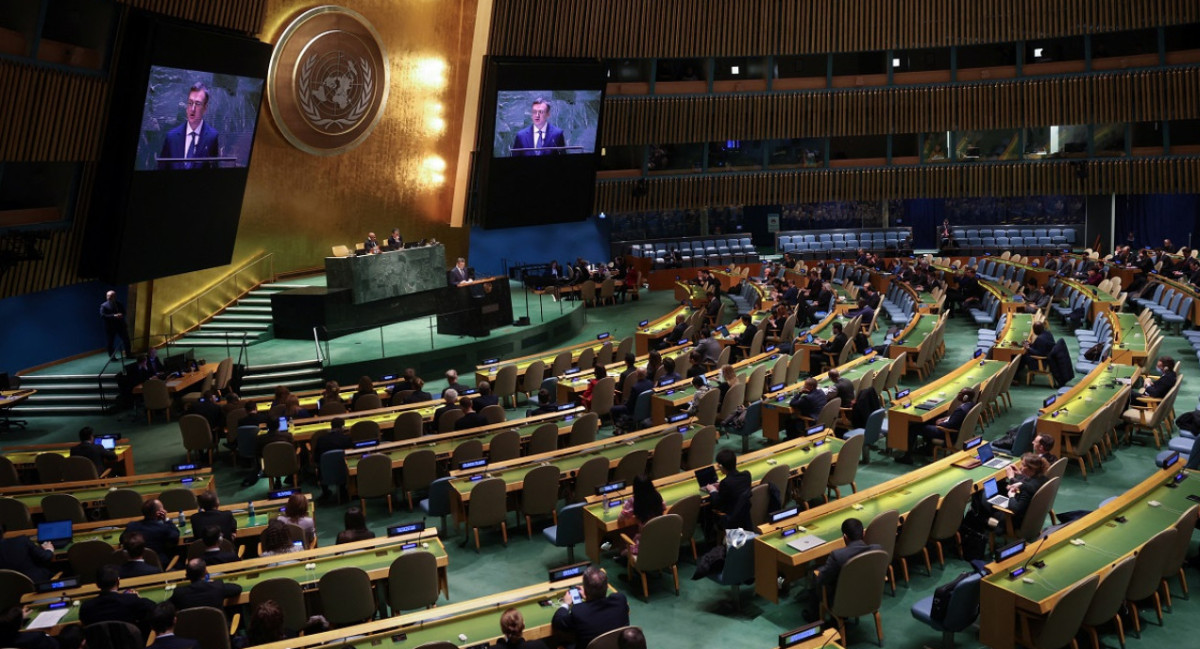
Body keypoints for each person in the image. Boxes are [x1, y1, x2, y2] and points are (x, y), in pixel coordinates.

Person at [550, 566, 629, 649]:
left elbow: (558, 622)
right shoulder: (620, 600)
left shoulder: (579, 612)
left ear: (585, 590)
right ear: (607, 587)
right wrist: (588, 597)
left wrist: (566, 604)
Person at [899, 387, 977, 464]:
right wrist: (945, 418)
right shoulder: (970, 405)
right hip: (954, 429)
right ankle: (927, 449)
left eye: (960, 393)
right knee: (929, 421)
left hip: (947, 433)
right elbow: (955, 418)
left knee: (913, 428)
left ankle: (907, 457)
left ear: (965, 397)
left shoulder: (961, 410)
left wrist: (940, 423)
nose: (958, 394)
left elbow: (950, 425)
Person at [813, 518, 881, 604]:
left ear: (845, 537)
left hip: (843, 602)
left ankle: (814, 614)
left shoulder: (837, 556)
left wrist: (818, 573)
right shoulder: (877, 549)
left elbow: (824, 578)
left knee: (816, 575)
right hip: (869, 596)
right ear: (863, 533)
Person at [158, 82, 220, 170]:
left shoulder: (212, 136)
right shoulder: (172, 137)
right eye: (190, 103)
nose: (192, 109)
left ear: (205, 108)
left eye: (197, 104)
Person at [79, 565, 156, 631]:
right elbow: (154, 607)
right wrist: (139, 599)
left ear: (97, 584)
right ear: (118, 581)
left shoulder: (86, 607)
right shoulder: (131, 600)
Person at [168, 558, 243, 613]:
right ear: (206, 572)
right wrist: (211, 582)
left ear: (187, 576)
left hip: (190, 633)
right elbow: (237, 588)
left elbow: (166, 607)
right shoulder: (217, 586)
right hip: (217, 632)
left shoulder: (179, 593)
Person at [615, 474, 664, 557]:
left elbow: (620, 519)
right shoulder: (657, 496)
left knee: (623, 548)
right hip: (660, 538)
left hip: (644, 544)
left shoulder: (634, 501)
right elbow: (663, 507)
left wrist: (626, 506)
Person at [705, 449, 752, 530]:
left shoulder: (726, 483)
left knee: (706, 509)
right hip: (745, 516)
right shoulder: (746, 475)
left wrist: (712, 490)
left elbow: (717, 503)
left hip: (731, 518)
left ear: (721, 466)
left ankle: (710, 539)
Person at [125, 499, 180, 565]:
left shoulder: (131, 526)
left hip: (134, 564)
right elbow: (175, 537)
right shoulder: (162, 528)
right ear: (159, 513)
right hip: (159, 565)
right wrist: (167, 520)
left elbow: (122, 539)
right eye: (163, 508)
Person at [100, 290, 132, 360]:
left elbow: (124, 312)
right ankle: (112, 357)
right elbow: (103, 316)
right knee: (110, 342)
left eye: (110, 296)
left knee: (126, 340)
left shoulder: (119, 304)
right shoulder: (104, 305)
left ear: (114, 296)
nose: (108, 297)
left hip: (121, 326)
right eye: (107, 296)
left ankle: (128, 354)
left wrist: (121, 315)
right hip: (111, 327)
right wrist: (114, 316)